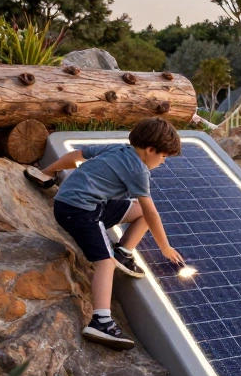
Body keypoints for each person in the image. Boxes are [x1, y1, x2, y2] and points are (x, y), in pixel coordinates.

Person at [33, 117, 186, 350]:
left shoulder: (120, 148)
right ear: (151, 149)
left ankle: (124, 252)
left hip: (75, 203)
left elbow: (77, 156)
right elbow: (152, 212)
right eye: (163, 156)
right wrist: (164, 247)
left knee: (137, 211)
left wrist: (45, 172)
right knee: (106, 262)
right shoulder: (138, 170)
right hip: (80, 211)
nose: (163, 162)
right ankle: (101, 321)